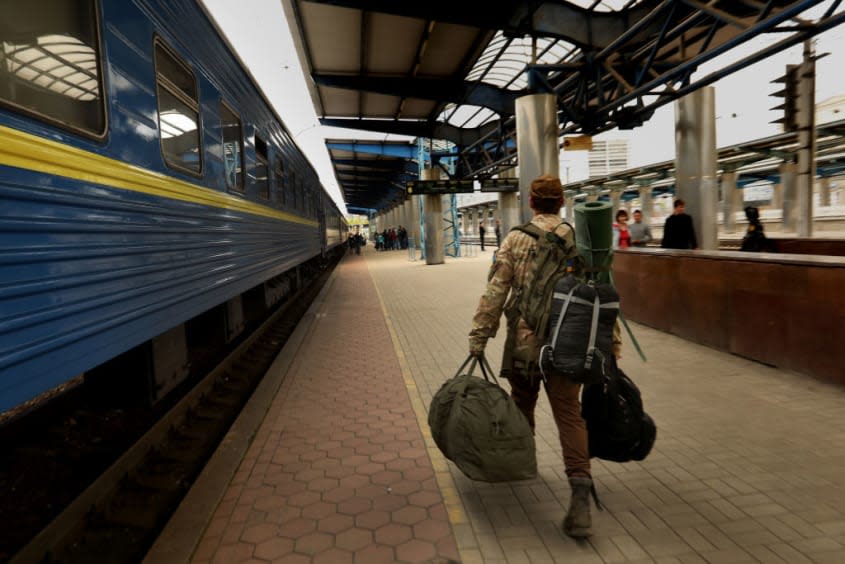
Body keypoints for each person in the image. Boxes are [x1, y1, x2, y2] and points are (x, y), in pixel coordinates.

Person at [468, 174, 621, 538]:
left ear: (532, 202)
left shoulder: (515, 239)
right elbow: (602, 290)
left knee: (522, 403)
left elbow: (495, 293)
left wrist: (479, 336)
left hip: (525, 341)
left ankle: (522, 465)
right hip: (569, 343)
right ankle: (581, 494)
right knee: (569, 414)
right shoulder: (579, 238)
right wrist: (611, 344)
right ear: (562, 202)